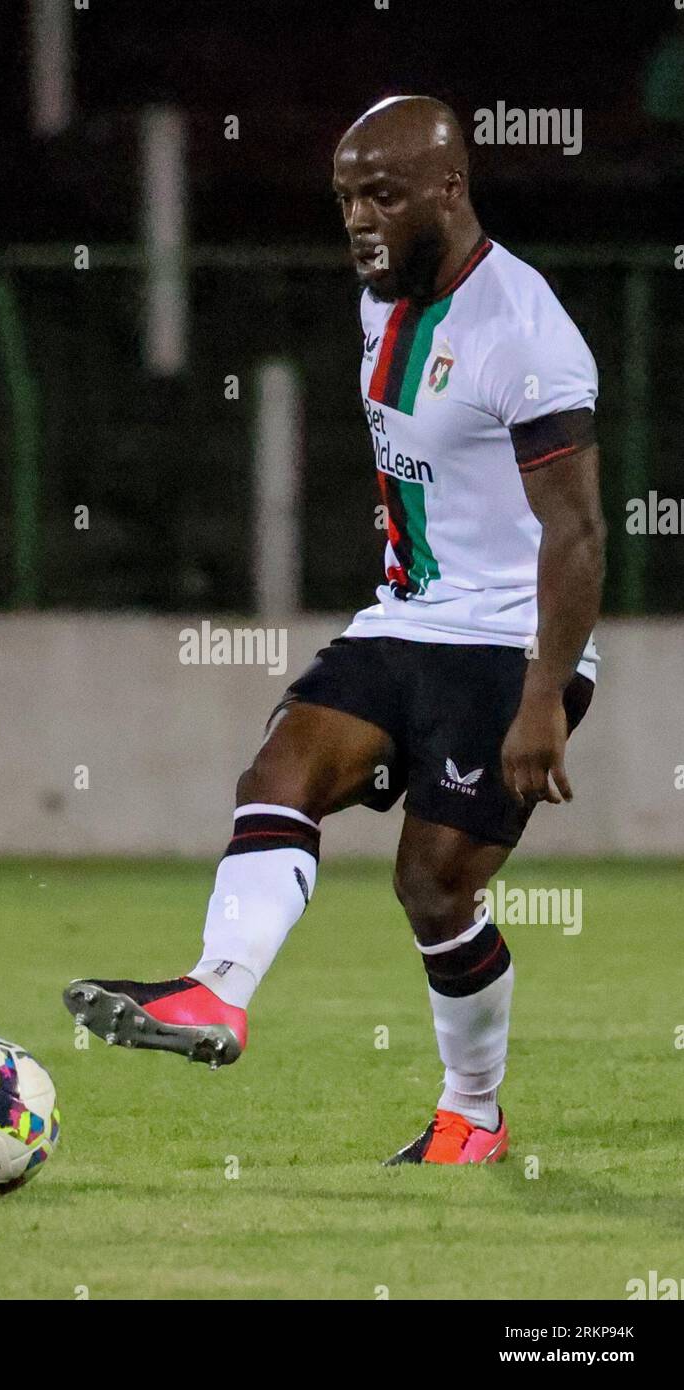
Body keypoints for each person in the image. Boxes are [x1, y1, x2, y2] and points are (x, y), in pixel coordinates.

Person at [64, 96, 606, 1165]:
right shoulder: (383, 297)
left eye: (384, 194)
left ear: (450, 190)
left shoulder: (528, 335)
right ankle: (215, 996)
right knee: (280, 771)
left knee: (434, 883)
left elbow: (580, 534)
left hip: (510, 644)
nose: (360, 218)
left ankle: (473, 1114)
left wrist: (546, 694)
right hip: (405, 620)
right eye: (347, 197)